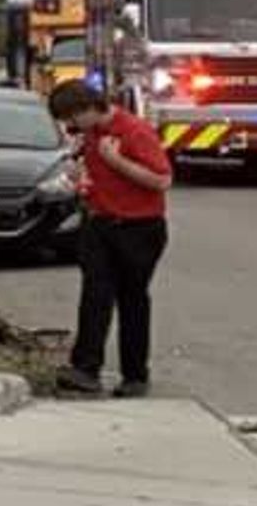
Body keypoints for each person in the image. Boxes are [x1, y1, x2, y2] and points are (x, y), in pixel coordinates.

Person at [46, 78, 171, 395]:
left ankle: (135, 376)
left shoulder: (134, 131)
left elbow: (161, 179)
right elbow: (91, 174)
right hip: (100, 223)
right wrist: (79, 180)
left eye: (73, 119)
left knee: (132, 300)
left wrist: (118, 162)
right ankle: (85, 368)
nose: (72, 127)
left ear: (88, 108)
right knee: (95, 297)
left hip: (138, 228)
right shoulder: (91, 135)